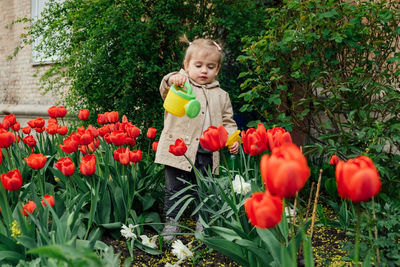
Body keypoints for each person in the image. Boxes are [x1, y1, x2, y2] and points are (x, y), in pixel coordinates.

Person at [154, 36, 239, 241]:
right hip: (179, 148)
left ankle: (203, 223)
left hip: (207, 150)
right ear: (186, 65)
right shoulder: (181, 85)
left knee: (206, 188)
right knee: (174, 188)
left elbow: (227, 121)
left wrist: (232, 138)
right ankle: (172, 223)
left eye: (210, 67)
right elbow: (164, 89)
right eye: (198, 65)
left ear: (217, 69)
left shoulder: (221, 95)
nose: (203, 71)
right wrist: (172, 78)